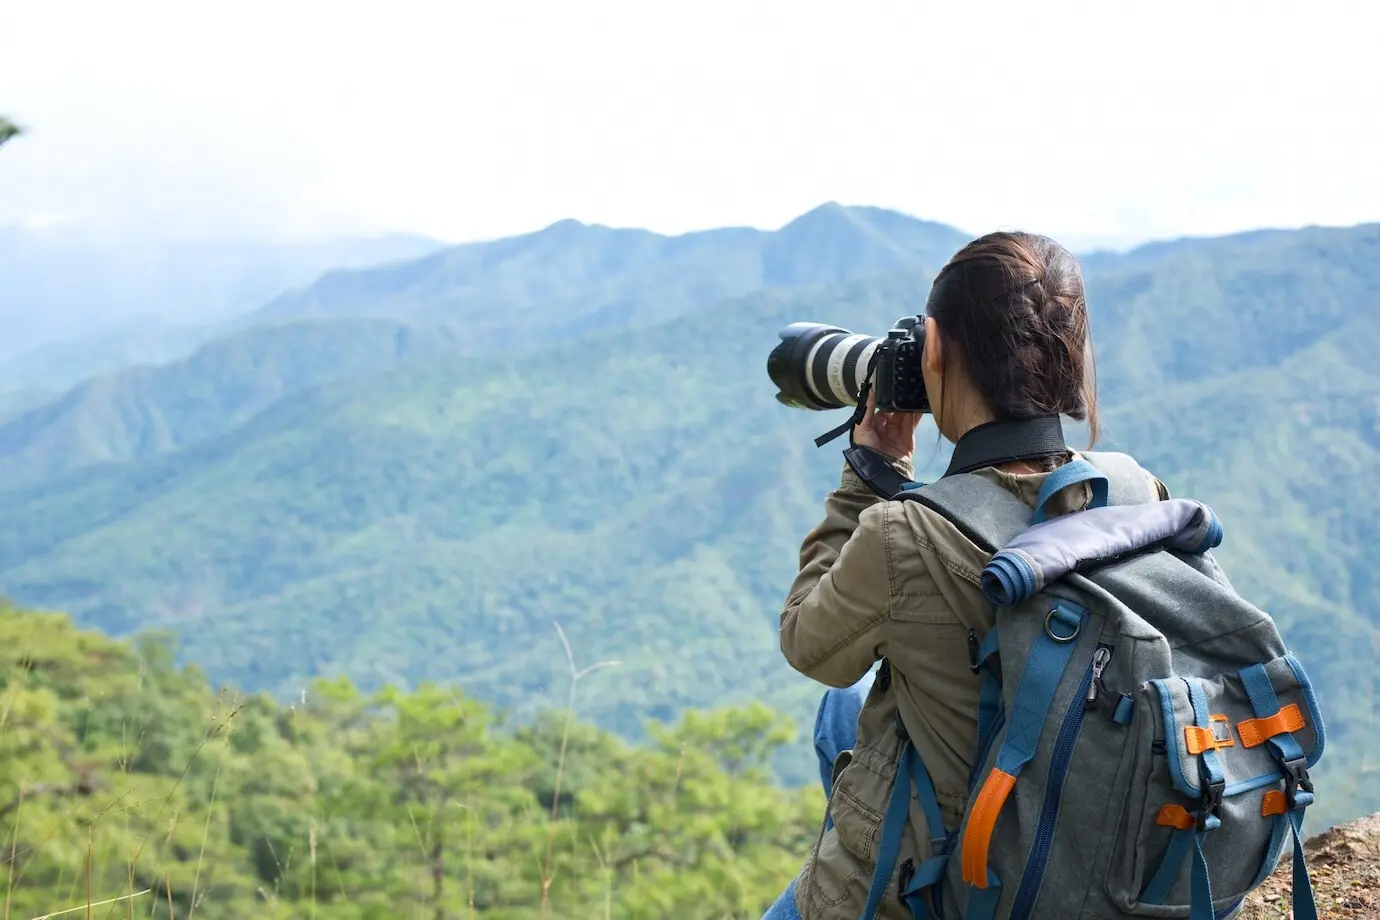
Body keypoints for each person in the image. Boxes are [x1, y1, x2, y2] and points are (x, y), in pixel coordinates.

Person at [762, 231, 1171, 920]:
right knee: (844, 713)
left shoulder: (906, 534)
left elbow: (808, 643)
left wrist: (870, 476)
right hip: (1107, 852)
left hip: (966, 881)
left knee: (843, 694)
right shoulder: (1134, 492)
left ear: (933, 349)